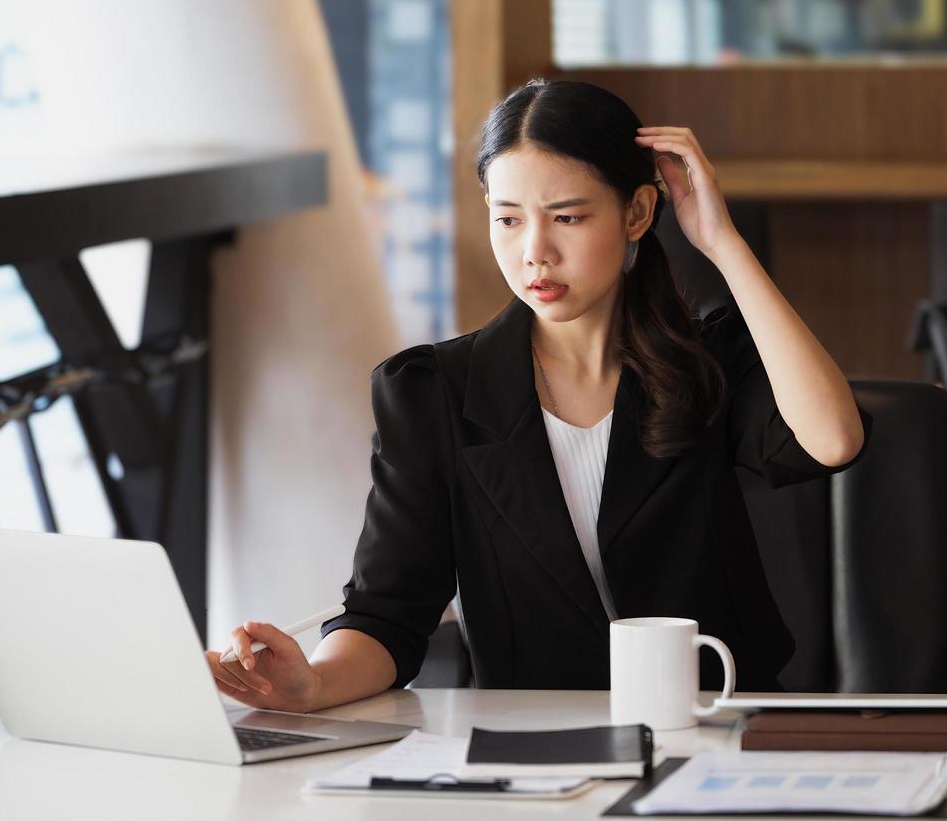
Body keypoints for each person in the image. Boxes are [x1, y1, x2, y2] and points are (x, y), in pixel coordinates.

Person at [206, 79, 870, 712]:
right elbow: (388, 614)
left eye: (568, 217)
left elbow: (833, 438)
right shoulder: (433, 394)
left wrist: (720, 242)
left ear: (637, 212)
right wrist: (311, 685)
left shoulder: (706, 362)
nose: (535, 252)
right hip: (539, 751)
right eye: (509, 219)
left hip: (715, 735)